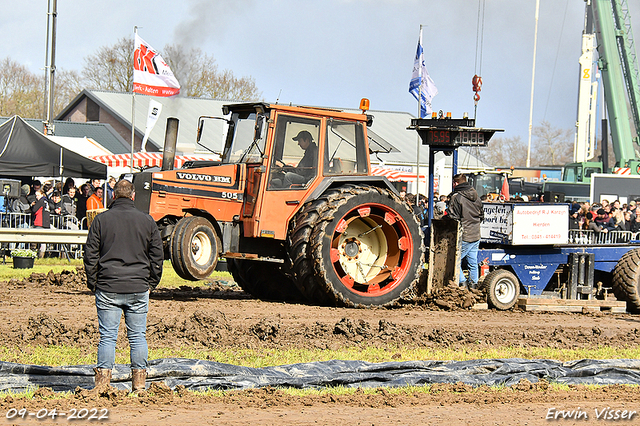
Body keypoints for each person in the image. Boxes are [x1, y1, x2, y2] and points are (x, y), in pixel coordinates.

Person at [84, 179, 163, 391]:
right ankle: (139, 386)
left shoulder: (101, 220)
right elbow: (157, 256)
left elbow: (90, 255)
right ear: (133, 196)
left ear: (113, 196)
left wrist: (94, 283)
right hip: (138, 287)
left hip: (108, 286)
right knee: (138, 337)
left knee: (107, 337)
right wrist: (151, 283)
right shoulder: (147, 221)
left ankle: (102, 385)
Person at [447, 173, 484, 289]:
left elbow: (452, 217)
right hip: (476, 233)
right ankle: (473, 286)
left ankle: (462, 283)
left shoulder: (457, 197)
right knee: (473, 262)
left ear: (456, 183)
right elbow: (481, 215)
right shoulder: (476, 196)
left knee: (454, 261)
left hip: (464, 235)